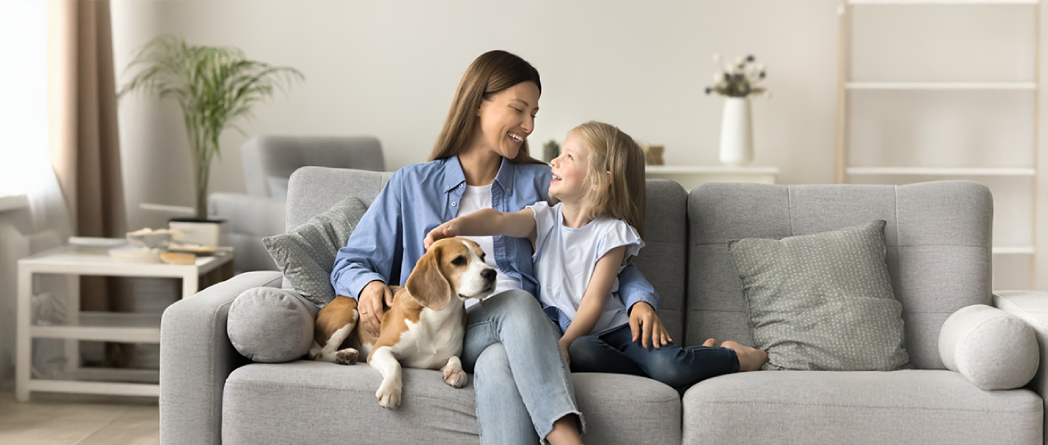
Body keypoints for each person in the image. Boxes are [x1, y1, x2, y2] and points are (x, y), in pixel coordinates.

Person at [330, 50, 669, 445]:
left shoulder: (544, 182)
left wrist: (639, 300)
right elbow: (351, 261)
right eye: (518, 110)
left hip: (520, 335)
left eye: (534, 114)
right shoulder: (411, 185)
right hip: (445, 330)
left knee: (499, 358)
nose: (528, 126)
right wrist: (367, 284)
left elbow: (602, 247)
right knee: (517, 308)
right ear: (478, 104)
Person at [425, 121, 769, 390]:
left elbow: (593, 302)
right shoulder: (543, 219)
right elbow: (498, 220)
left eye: (568, 157)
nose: (554, 162)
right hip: (584, 340)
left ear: (599, 181)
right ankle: (698, 360)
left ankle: (737, 356)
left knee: (669, 366)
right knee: (582, 352)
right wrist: (457, 226)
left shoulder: (612, 232)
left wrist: (563, 342)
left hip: (618, 330)